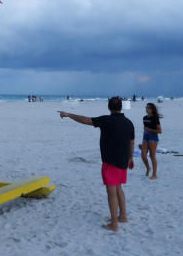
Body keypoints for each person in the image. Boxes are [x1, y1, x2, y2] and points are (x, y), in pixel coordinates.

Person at [58, 97, 135, 231]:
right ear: (121, 107)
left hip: (110, 161)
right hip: (123, 160)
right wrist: (130, 158)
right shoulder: (129, 123)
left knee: (111, 191)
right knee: (119, 189)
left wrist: (69, 114)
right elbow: (132, 142)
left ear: (109, 107)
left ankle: (114, 224)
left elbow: (86, 120)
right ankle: (123, 216)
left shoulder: (106, 120)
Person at [140, 102, 162, 179]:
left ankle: (154, 174)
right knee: (143, 155)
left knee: (152, 156)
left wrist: (149, 129)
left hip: (153, 137)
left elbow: (159, 131)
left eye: (148, 108)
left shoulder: (155, 118)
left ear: (152, 109)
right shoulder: (144, 118)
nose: (147, 109)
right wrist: (143, 143)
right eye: (146, 107)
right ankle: (148, 168)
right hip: (145, 137)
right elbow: (145, 129)